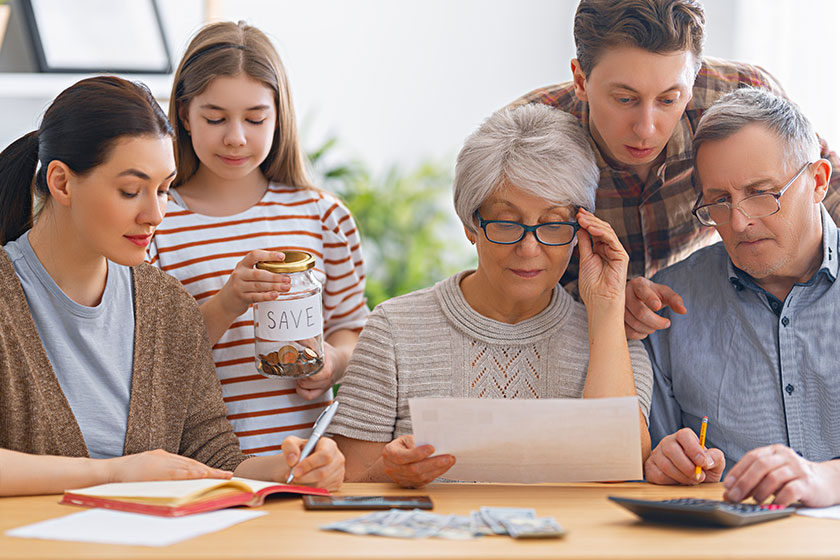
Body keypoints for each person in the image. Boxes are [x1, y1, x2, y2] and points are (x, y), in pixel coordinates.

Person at [0, 76, 344, 496]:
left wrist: (291, 466)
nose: (155, 214)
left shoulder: (168, 307)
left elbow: (216, 460)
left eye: (163, 190)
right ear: (61, 182)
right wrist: (113, 473)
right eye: (131, 191)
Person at [329, 104, 653, 488]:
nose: (529, 249)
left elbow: (618, 473)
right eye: (507, 223)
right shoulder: (392, 330)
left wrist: (607, 304)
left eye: (551, 225)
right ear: (471, 224)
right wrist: (390, 473)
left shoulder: (616, 342)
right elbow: (346, 485)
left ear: (581, 229)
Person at [511, 0, 840, 336]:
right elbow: (507, 278)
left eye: (669, 100)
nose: (646, 129)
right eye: (625, 99)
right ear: (581, 80)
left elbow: (824, 182)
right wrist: (598, 303)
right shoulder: (527, 138)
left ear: (693, 79)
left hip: (706, 320)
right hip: (578, 333)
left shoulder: (743, 94)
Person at [147, 22, 368, 455]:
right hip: (203, 463)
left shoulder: (322, 216)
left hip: (310, 459)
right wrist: (229, 301)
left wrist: (333, 361)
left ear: (279, 116)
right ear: (185, 116)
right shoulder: (156, 221)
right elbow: (156, 361)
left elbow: (352, 329)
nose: (236, 137)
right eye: (215, 118)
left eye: (255, 118)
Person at [643, 88, 840, 507]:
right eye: (719, 200)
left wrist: (828, 479)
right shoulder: (671, 304)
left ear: (818, 181)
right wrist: (663, 462)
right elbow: (649, 464)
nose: (739, 221)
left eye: (760, 192)